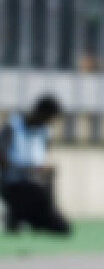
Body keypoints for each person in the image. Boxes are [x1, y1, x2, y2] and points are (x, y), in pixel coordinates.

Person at [0, 95, 71, 236]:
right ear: (40, 112)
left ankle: (27, 216)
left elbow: (42, 160)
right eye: (48, 118)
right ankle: (17, 214)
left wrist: (43, 169)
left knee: (62, 227)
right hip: (14, 184)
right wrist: (25, 170)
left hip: (36, 187)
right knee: (32, 195)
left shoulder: (44, 132)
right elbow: (2, 159)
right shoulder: (12, 127)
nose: (49, 122)